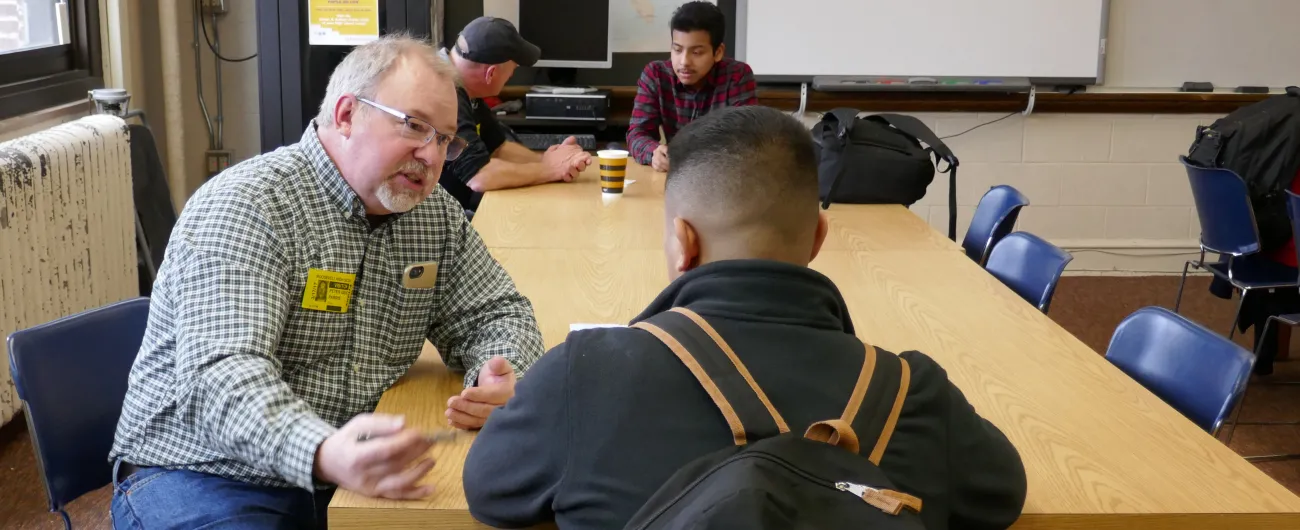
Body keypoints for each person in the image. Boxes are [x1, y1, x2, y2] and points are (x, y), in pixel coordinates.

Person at [463, 106, 1028, 529]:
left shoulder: (584, 376)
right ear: (817, 239)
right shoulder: (913, 392)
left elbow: (488, 490)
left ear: (683, 244)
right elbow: (1002, 493)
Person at [108, 34, 545, 529]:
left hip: (347, 473)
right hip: (205, 473)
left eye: (444, 139)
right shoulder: (247, 206)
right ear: (345, 115)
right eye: (415, 126)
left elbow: (496, 312)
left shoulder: (433, 216)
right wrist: (321, 448)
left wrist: (502, 373)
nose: (432, 156)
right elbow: (222, 376)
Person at [439, 16, 592, 212]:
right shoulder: (444, 93)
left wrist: (547, 160)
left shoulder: (462, 86)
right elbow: (480, 176)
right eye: (513, 69)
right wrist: (551, 169)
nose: (512, 76)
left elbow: (498, 147)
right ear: (491, 73)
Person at [626, 1, 757, 173]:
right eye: (677, 50)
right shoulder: (656, 75)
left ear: (718, 52)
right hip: (675, 180)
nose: (684, 62)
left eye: (696, 53)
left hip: (719, 177)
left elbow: (747, 140)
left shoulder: (737, 76)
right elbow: (637, 133)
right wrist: (654, 153)